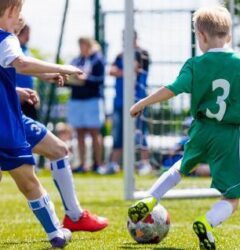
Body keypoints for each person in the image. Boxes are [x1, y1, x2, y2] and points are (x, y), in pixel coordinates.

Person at [128, 6, 240, 250]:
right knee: (232, 197)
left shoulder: (194, 64)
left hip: (201, 128)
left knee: (181, 167)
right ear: (228, 35)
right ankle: (206, 224)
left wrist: (143, 102)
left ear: (202, 36)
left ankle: (151, 197)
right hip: (230, 133)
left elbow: (171, 89)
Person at [0, 0, 83, 247]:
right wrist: (62, 67)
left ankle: (63, 225)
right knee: (29, 181)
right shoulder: (7, 38)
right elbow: (22, 63)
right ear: (13, 11)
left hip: (8, 118)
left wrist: (14, 91)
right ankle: (55, 233)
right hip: (6, 126)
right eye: (20, 13)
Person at [16, 86, 109, 232]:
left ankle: (72, 218)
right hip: (7, 116)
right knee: (54, 156)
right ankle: (71, 220)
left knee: (58, 151)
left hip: (11, 112)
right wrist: (56, 69)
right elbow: (21, 63)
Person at [99, 32, 151, 175]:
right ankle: (113, 164)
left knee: (140, 131)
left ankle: (145, 164)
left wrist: (122, 71)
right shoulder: (119, 55)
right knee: (118, 133)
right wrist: (122, 72)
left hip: (138, 100)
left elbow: (133, 69)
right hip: (120, 101)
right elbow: (112, 71)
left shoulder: (143, 53)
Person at [67, 37, 106, 173]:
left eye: (83, 44)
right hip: (76, 100)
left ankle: (99, 164)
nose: (81, 47)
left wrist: (86, 79)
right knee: (79, 133)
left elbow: (100, 80)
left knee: (95, 133)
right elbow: (67, 78)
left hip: (92, 100)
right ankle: (82, 164)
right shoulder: (76, 61)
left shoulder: (98, 59)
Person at [15, 23, 38, 119]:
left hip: (28, 96)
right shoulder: (12, 50)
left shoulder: (27, 50)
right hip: (15, 95)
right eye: (26, 33)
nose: (28, 37)